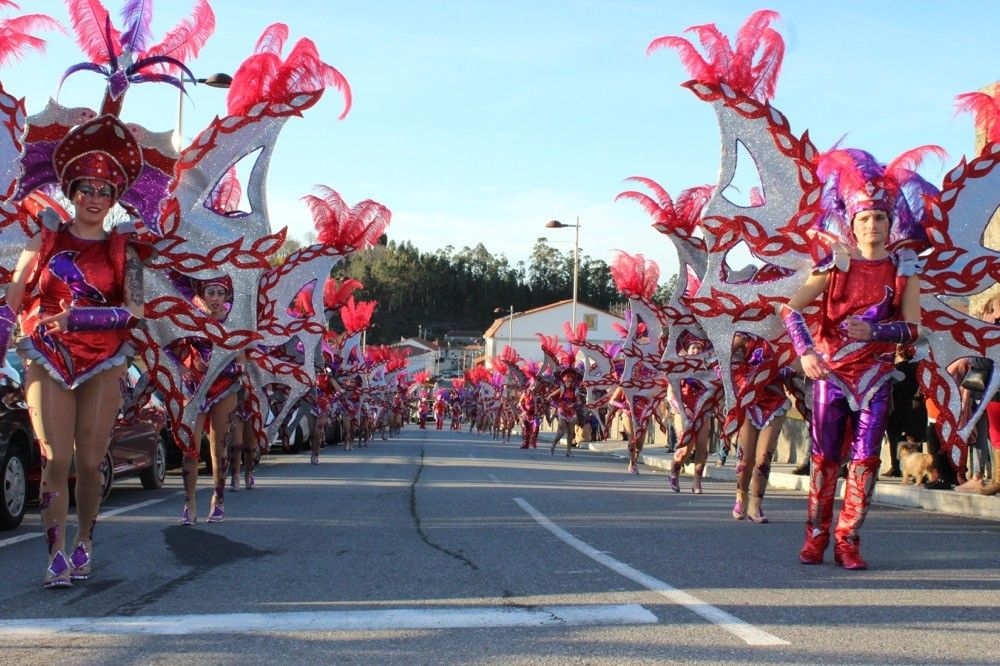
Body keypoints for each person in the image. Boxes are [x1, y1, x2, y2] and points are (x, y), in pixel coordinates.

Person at [7, 116, 146, 587]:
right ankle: (55, 553)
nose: (93, 196)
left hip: (103, 359)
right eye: (85, 186)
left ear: (115, 199)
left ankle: (85, 538)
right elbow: (14, 293)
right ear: (70, 189)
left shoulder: (125, 251)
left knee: (89, 461)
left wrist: (81, 318)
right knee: (55, 459)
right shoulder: (45, 237)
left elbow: (135, 312)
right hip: (47, 355)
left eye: (105, 189)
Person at [783, 148, 931, 570]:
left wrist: (879, 332)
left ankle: (848, 540)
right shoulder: (835, 264)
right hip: (831, 372)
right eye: (864, 218)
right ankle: (815, 536)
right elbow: (791, 310)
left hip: (876, 376)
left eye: (879, 218)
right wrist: (805, 352)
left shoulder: (904, 269)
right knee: (825, 457)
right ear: (852, 223)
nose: (872, 225)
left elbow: (913, 328)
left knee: (866, 460)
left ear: (890, 222)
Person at [173, 281, 244, 525]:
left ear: (226, 295)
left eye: (220, 293)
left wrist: (231, 367)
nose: (215, 298)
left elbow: (241, 357)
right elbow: (175, 345)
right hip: (195, 386)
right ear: (203, 295)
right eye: (210, 292)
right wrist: (183, 366)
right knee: (189, 448)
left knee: (218, 447)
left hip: (224, 387)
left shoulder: (235, 319)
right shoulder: (191, 316)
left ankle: (219, 498)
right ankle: (189, 501)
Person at [548, 367, 584, 456]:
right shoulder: (561, 389)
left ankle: (568, 451)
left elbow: (579, 401)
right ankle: (552, 446)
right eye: (568, 381)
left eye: (571, 381)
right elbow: (549, 396)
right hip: (562, 412)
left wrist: (574, 404)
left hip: (572, 413)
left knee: (571, 433)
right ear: (565, 381)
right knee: (560, 432)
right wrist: (554, 405)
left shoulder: (575, 390)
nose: (570, 382)